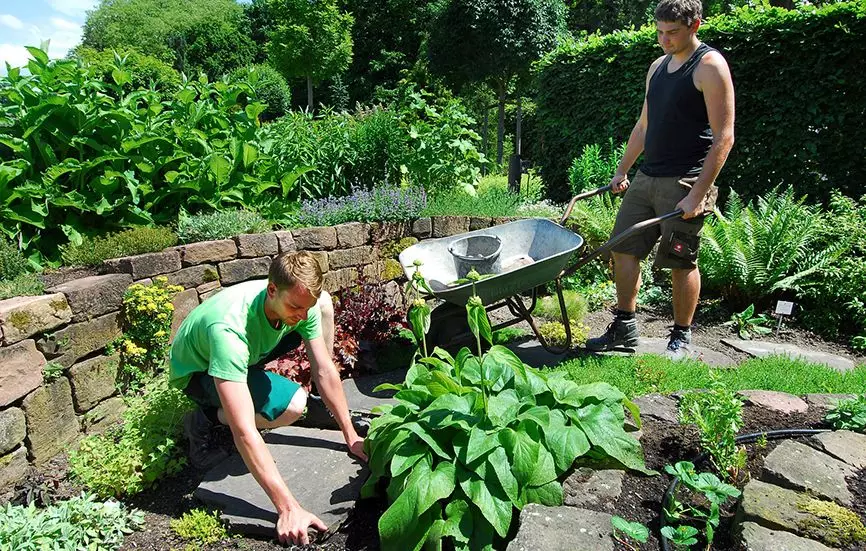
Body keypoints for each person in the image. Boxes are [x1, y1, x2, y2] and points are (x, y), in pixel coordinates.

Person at [168, 251, 366, 546]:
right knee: (291, 408)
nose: (301, 314)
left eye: (305, 308)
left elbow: (324, 368)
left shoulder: (297, 303)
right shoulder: (228, 330)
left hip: (245, 353)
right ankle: (204, 418)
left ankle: (243, 384)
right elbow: (244, 431)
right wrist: (288, 508)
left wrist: (349, 434)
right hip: (198, 372)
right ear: (271, 289)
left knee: (323, 306)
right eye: (296, 306)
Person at [585, 0, 735, 357]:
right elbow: (644, 124)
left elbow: (724, 137)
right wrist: (622, 170)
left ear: (695, 25)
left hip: (685, 181)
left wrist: (698, 194)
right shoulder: (657, 67)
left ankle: (681, 336)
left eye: (673, 33)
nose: (665, 40)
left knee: (681, 260)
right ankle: (624, 327)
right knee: (623, 248)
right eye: (659, 33)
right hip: (647, 176)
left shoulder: (710, 66)